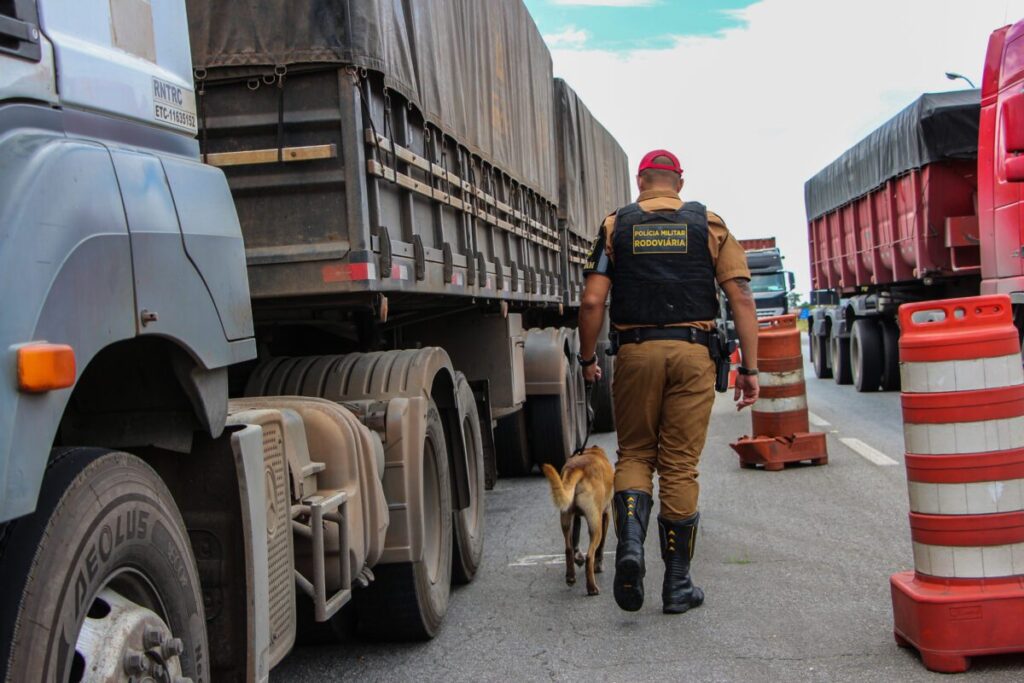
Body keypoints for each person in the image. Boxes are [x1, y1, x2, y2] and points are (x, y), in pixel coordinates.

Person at [576, 149, 760, 614]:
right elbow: (740, 294)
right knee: (679, 465)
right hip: (693, 353)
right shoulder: (710, 224)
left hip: (636, 352)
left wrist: (586, 359)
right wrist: (750, 369)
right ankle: (677, 586)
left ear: (641, 181)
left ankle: (631, 548)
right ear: (679, 182)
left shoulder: (616, 226)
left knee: (635, 454)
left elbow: (593, 302)